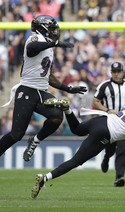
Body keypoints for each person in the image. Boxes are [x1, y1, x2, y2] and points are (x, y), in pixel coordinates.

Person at [31, 84, 125, 199]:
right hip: (106, 132)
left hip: (102, 120)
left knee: (77, 129)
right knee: (76, 161)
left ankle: (67, 109)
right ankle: (45, 178)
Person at [0, 15, 87, 162]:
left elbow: (49, 76)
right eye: (52, 28)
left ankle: (35, 141)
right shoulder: (35, 39)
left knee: (57, 116)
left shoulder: (48, 45)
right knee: (16, 135)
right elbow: (32, 48)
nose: (54, 31)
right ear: (43, 28)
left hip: (40, 92)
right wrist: (56, 43)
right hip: (27, 90)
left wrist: (68, 89)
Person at [91, 61, 125, 187]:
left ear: (123, 72)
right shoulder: (104, 86)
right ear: (111, 73)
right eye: (114, 72)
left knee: (122, 149)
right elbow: (95, 101)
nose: (117, 74)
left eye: (119, 71)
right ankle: (106, 158)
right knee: (110, 149)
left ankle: (119, 177)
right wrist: (107, 110)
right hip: (110, 122)